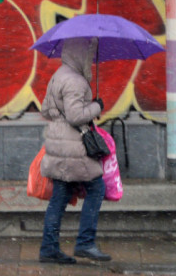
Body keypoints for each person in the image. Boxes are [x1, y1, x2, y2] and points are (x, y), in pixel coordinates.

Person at [38, 37, 111, 264]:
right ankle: (85, 243)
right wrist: (96, 106)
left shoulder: (58, 75)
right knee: (97, 187)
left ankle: (49, 248)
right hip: (74, 147)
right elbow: (75, 116)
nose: (90, 59)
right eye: (89, 54)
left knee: (59, 197)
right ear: (80, 54)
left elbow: (45, 109)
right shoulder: (76, 81)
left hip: (59, 145)